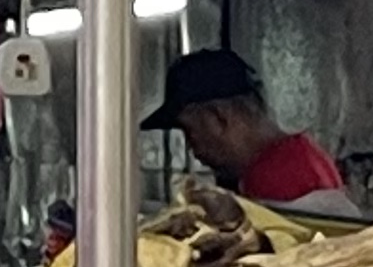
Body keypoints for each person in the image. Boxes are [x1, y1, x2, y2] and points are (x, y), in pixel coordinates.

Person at [148, 44, 355, 214]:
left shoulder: (273, 179)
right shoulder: (305, 154)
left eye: (190, 132)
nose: (193, 150)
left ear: (218, 117)